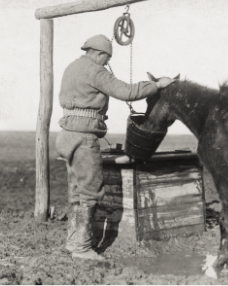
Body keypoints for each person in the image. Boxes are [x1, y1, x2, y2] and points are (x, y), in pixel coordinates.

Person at [55, 34, 173, 260]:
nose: (106, 64)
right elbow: (127, 92)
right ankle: (82, 248)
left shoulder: (72, 67)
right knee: (90, 193)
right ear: (100, 54)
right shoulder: (95, 70)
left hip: (65, 136)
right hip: (83, 138)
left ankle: (73, 242)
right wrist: (157, 84)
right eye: (106, 59)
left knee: (76, 192)